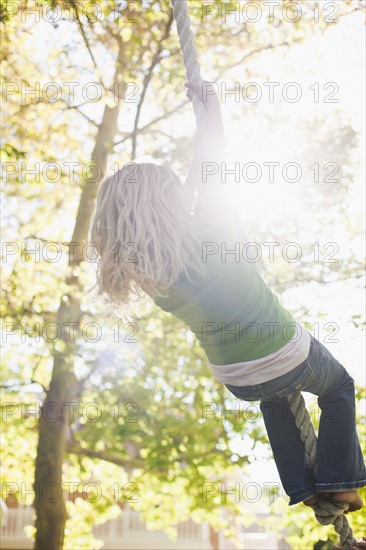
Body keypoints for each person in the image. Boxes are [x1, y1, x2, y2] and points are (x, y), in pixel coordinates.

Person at [89, 80, 365, 517]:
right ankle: (341, 482)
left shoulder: (150, 273)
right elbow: (211, 163)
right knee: (338, 386)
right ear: (170, 202)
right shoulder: (211, 227)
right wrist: (211, 112)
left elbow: (200, 177)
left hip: (237, 377)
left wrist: (208, 124)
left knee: (275, 399)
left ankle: (303, 488)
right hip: (285, 351)